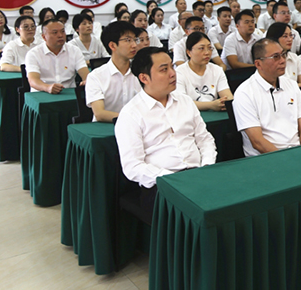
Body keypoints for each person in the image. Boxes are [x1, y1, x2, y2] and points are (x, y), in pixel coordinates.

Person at [115, 47, 217, 215]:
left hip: (198, 175)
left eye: (172, 66)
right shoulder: (131, 114)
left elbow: (204, 139)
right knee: (194, 212)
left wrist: (206, 166)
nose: (173, 73)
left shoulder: (185, 101)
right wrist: (170, 179)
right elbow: (133, 166)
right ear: (144, 78)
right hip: (160, 186)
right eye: (164, 69)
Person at [232, 38, 301, 156]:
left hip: (298, 152)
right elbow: (257, 142)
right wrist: (287, 159)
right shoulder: (245, 93)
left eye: (283, 55)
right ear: (258, 64)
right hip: (266, 158)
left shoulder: (292, 85)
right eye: (276, 57)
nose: (283, 61)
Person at [84, 21, 141, 122]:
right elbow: (100, 113)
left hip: (139, 127)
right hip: (106, 128)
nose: (134, 45)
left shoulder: (142, 72)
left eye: (135, 40)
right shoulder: (96, 76)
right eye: (128, 40)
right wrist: (132, 119)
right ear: (112, 46)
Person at [25, 19, 89, 93]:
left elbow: (85, 73)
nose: (60, 35)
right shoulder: (33, 54)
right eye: (55, 32)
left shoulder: (74, 50)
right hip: (42, 93)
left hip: (68, 92)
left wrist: (87, 81)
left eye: (62, 31)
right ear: (44, 37)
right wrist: (47, 88)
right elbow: (33, 81)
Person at [175, 32, 232, 110]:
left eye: (209, 48)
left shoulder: (217, 70)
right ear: (189, 52)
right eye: (201, 48)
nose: (207, 52)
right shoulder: (179, 72)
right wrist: (211, 105)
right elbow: (182, 102)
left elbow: (227, 96)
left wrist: (226, 101)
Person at [266, 22, 301, 87]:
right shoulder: (268, 59)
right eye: (285, 36)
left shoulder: (294, 57)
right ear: (275, 38)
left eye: (291, 35)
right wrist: (294, 86)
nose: (290, 39)